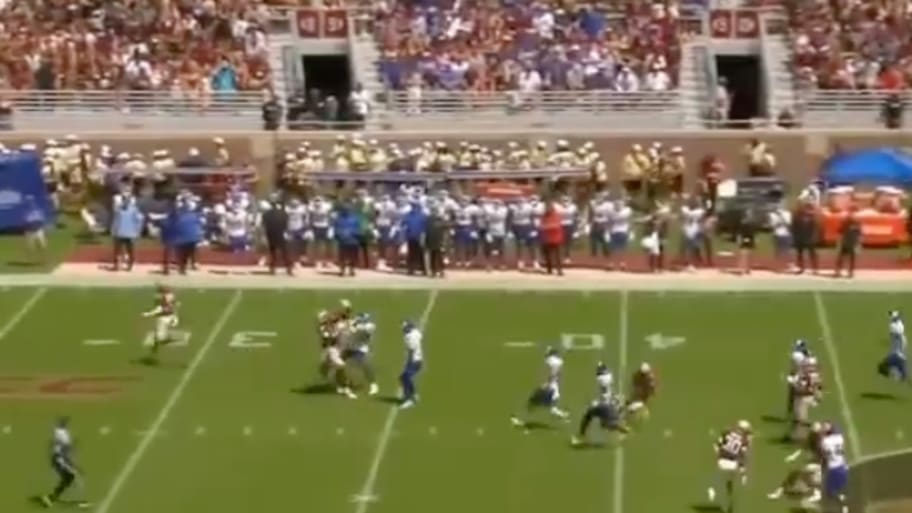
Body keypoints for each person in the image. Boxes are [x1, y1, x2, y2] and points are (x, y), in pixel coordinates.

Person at [41, 417, 88, 508]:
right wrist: (73, 464)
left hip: (58, 459)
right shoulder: (63, 435)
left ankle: (51, 498)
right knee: (77, 477)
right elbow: (64, 450)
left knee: (68, 479)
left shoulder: (59, 432)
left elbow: (57, 444)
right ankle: (81, 501)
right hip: (60, 460)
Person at [110, 194, 143, 271]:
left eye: (127, 200)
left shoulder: (134, 210)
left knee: (130, 250)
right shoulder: (119, 210)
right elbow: (116, 221)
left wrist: (138, 230)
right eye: (124, 200)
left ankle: (129, 265)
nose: (126, 201)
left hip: (129, 233)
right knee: (118, 250)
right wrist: (113, 230)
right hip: (121, 233)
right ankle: (117, 264)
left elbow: (139, 220)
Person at [262, 199, 293, 275]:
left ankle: (272, 269)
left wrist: (264, 236)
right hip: (281, 234)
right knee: (284, 252)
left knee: (273, 252)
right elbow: (287, 224)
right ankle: (288, 268)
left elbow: (264, 226)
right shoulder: (283, 213)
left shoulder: (266, 214)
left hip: (271, 234)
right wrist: (287, 233)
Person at [399, 320, 424, 409]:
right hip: (418, 360)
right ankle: (413, 395)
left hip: (414, 361)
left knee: (405, 377)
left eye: (405, 327)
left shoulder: (410, 337)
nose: (403, 329)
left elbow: (411, 351)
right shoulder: (416, 332)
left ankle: (409, 399)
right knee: (404, 377)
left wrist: (408, 362)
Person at [333, 203, 360, 277]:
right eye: (344, 209)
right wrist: (341, 234)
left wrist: (351, 233)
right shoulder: (338, 219)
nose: (346, 210)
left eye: (347, 209)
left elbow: (358, 229)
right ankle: (342, 270)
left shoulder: (355, 219)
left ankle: (352, 270)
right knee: (342, 257)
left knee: (353, 257)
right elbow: (336, 229)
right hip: (343, 241)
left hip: (353, 240)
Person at [401, 203, 428, 276]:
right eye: (413, 207)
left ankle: (424, 270)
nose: (414, 208)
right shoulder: (408, 215)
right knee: (411, 254)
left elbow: (425, 227)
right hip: (411, 237)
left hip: (419, 237)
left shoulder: (423, 215)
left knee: (420, 254)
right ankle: (411, 269)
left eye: (415, 207)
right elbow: (403, 224)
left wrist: (424, 236)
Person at [792, 205, 819, 274]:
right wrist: (796, 238)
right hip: (800, 239)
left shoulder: (812, 219)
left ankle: (815, 268)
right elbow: (794, 229)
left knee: (812, 254)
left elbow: (815, 229)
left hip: (810, 239)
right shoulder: (797, 219)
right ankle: (801, 268)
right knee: (800, 254)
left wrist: (814, 238)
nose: (805, 211)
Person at [834, 210, 861, 279]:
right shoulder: (845, 223)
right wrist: (839, 242)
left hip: (852, 243)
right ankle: (838, 271)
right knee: (841, 258)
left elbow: (859, 234)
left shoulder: (857, 224)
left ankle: (850, 272)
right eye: (850, 215)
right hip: (845, 243)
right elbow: (839, 232)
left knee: (851, 258)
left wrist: (858, 244)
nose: (851, 217)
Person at [540, 202, 564, 276]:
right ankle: (549, 269)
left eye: (549, 208)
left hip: (555, 238)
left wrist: (547, 227)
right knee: (548, 255)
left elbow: (557, 225)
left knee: (557, 255)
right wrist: (547, 227)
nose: (547, 210)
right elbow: (542, 226)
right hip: (547, 238)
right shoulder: (544, 216)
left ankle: (559, 270)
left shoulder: (556, 215)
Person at [425, 208, 448, 278]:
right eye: (433, 211)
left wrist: (444, 241)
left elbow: (445, 230)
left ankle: (441, 271)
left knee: (439, 257)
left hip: (438, 241)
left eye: (435, 211)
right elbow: (426, 231)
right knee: (433, 257)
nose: (433, 213)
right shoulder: (428, 220)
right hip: (431, 241)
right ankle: (434, 271)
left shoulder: (440, 219)